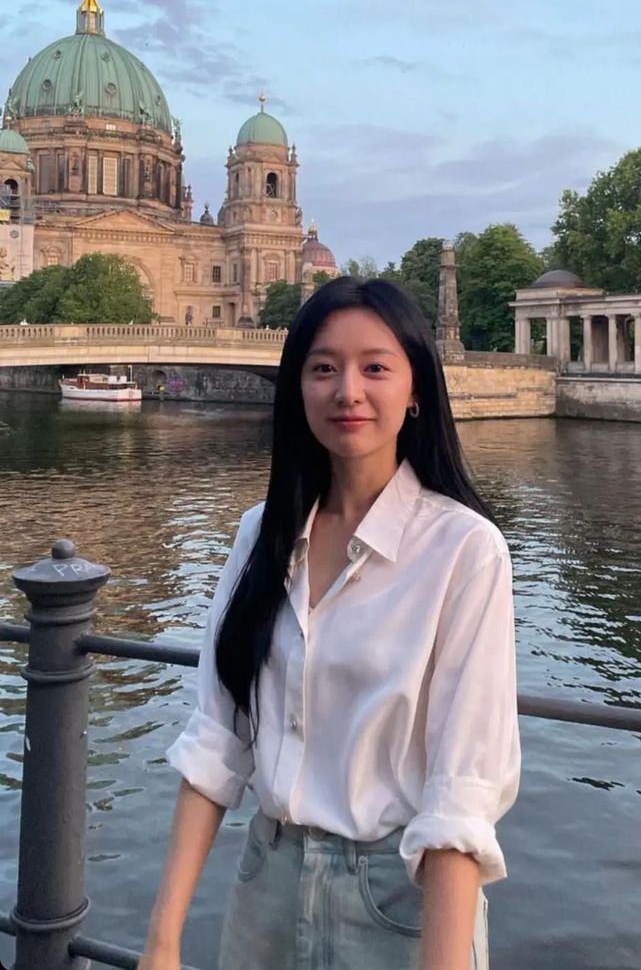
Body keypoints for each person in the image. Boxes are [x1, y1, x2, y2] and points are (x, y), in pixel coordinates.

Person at [139, 278, 520, 970]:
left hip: (399, 900)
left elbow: (460, 795)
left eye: (375, 367)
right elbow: (219, 743)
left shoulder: (465, 548)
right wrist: (163, 940)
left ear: (415, 393)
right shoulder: (260, 535)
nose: (347, 389)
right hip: (266, 886)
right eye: (323, 367)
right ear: (298, 389)